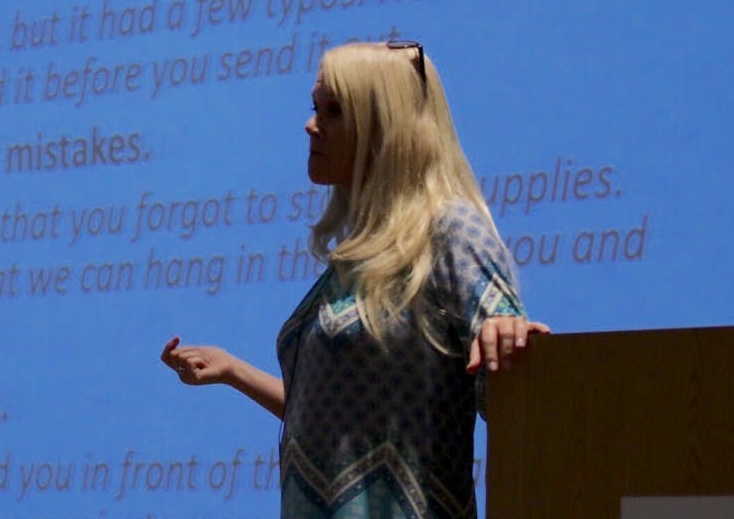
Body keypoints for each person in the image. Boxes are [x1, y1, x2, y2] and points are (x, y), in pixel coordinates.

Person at [161, 41, 549, 518]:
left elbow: (509, 384)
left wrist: (512, 343)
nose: (310, 124)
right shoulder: (358, 260)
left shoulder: (451, 231)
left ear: (383, 125)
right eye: (315, 107)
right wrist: (233, 371)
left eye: (335, 111)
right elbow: (343, 427)